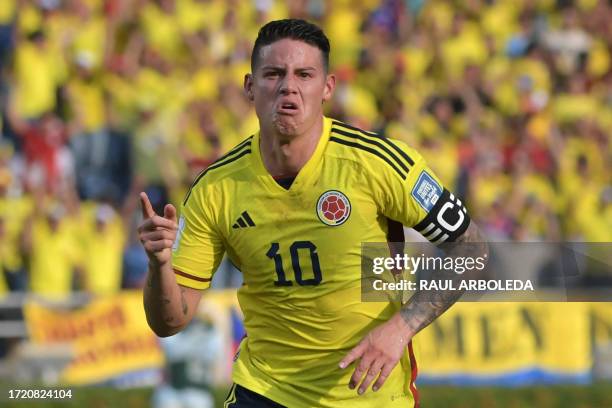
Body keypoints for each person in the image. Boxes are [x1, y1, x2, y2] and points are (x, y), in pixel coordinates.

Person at [139, 19, 486, 408]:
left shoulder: (377, 163)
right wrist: (159, 266)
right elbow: (170, 321)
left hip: (368, 393)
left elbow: (471, 249)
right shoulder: (214, 189)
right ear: (250, 88)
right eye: (273, 74)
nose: (289, 86)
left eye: (304, 75)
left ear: (327, 88)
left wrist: (401, 328)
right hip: (265, 390)